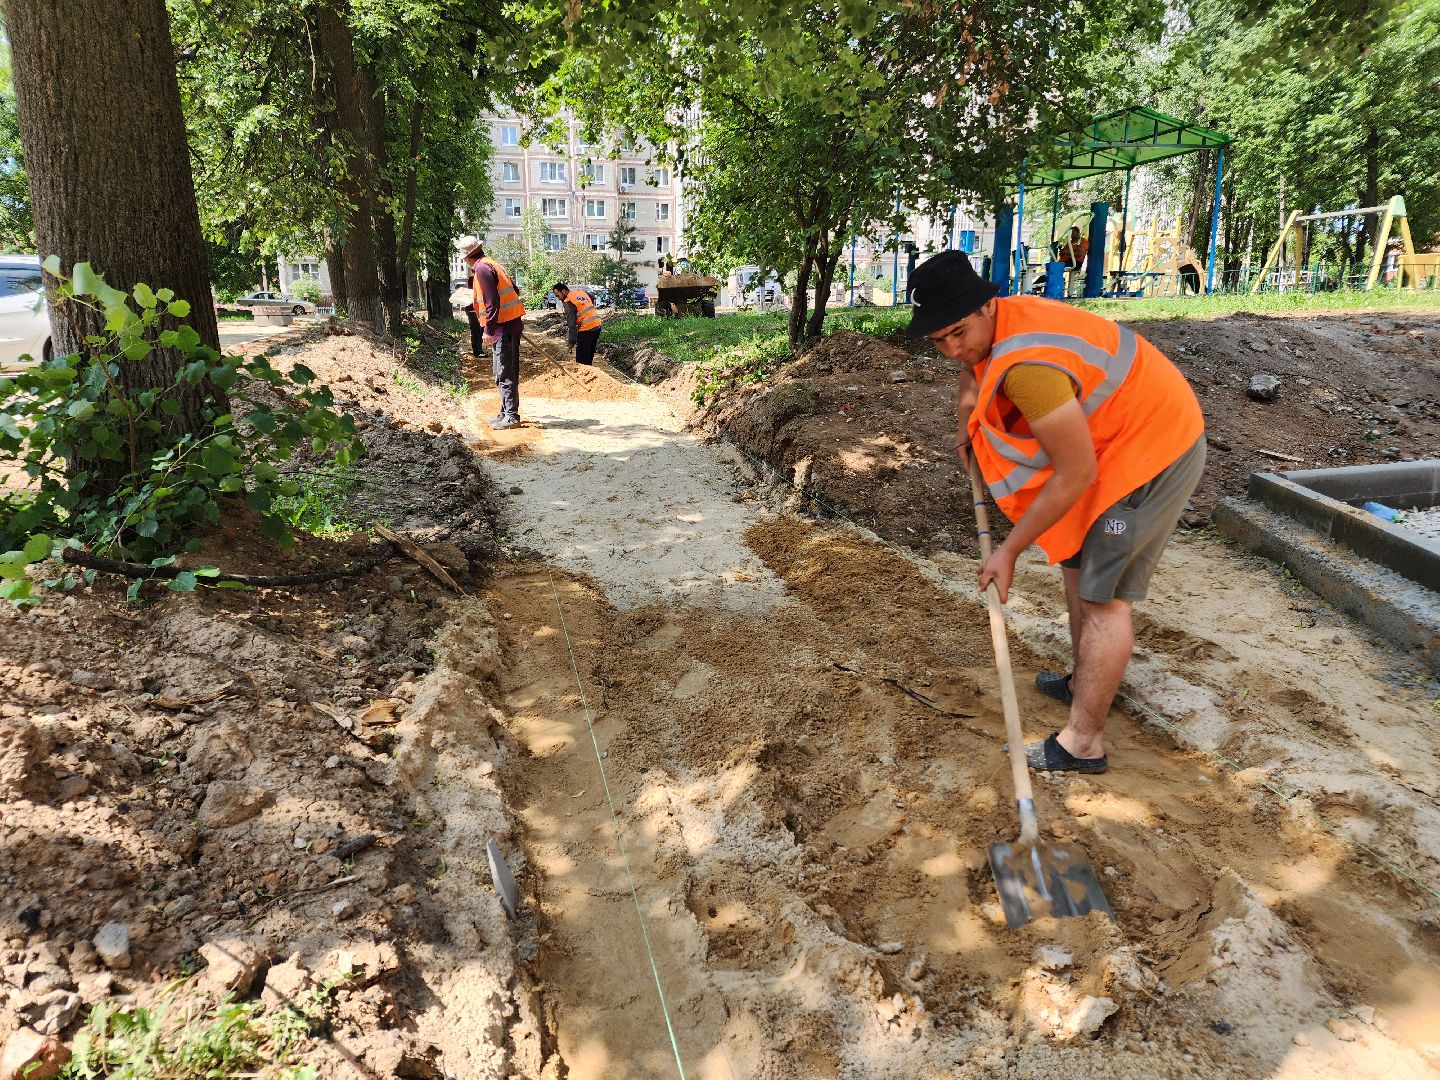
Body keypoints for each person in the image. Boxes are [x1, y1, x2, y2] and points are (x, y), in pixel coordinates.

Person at [907, 251, 1205, 774]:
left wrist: (1008, 550)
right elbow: (974, 367)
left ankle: (1082, 742)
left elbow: (1074, 474)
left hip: (1151, 449)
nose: (951, 348)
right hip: (1113, 435)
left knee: (1102, 600)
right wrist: (965, 422)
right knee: (1077, 563)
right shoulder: (997, 325)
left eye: (957, 332)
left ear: (985, 306)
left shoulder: (1029, 370)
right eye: (938, 341)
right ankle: (1081, 679)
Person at [466, 243, 525, 429]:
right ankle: (505, 412)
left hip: (503, 329)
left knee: (504, 372)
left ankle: (511, 416)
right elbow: (514, 290)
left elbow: (492, 302)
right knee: (502, 371)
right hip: (508, 325)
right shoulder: (492, 264)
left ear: (468, 257)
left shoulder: (482, 268)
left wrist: (488, 330)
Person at [551, 282, 602, 366]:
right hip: (597, 325)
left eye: (558, 296)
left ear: (564, 291)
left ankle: (583, 376)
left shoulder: (569, 302)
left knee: (581, 360)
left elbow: (571, 324)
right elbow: (592, 297)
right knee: (589, 354)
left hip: (587, 328)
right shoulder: (580, 292)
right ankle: (589, 372)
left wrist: (572, 341)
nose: (558, 299)